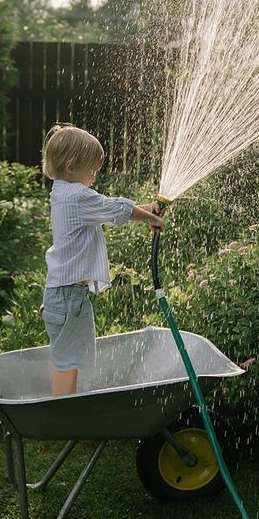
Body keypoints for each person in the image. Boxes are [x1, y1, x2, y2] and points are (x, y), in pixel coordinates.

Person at [41, 123, 165, 396]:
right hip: (67, 298)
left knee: (70, 361)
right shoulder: (76, 197)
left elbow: (109, 208)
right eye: (93, 171)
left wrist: (146, 210)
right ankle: (63, 415)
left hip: (69, 296)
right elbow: (112, 207)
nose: (95, 177)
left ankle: (68, 413)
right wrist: (150, 217)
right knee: (67, 363)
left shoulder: (65, 193)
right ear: (71, 167)